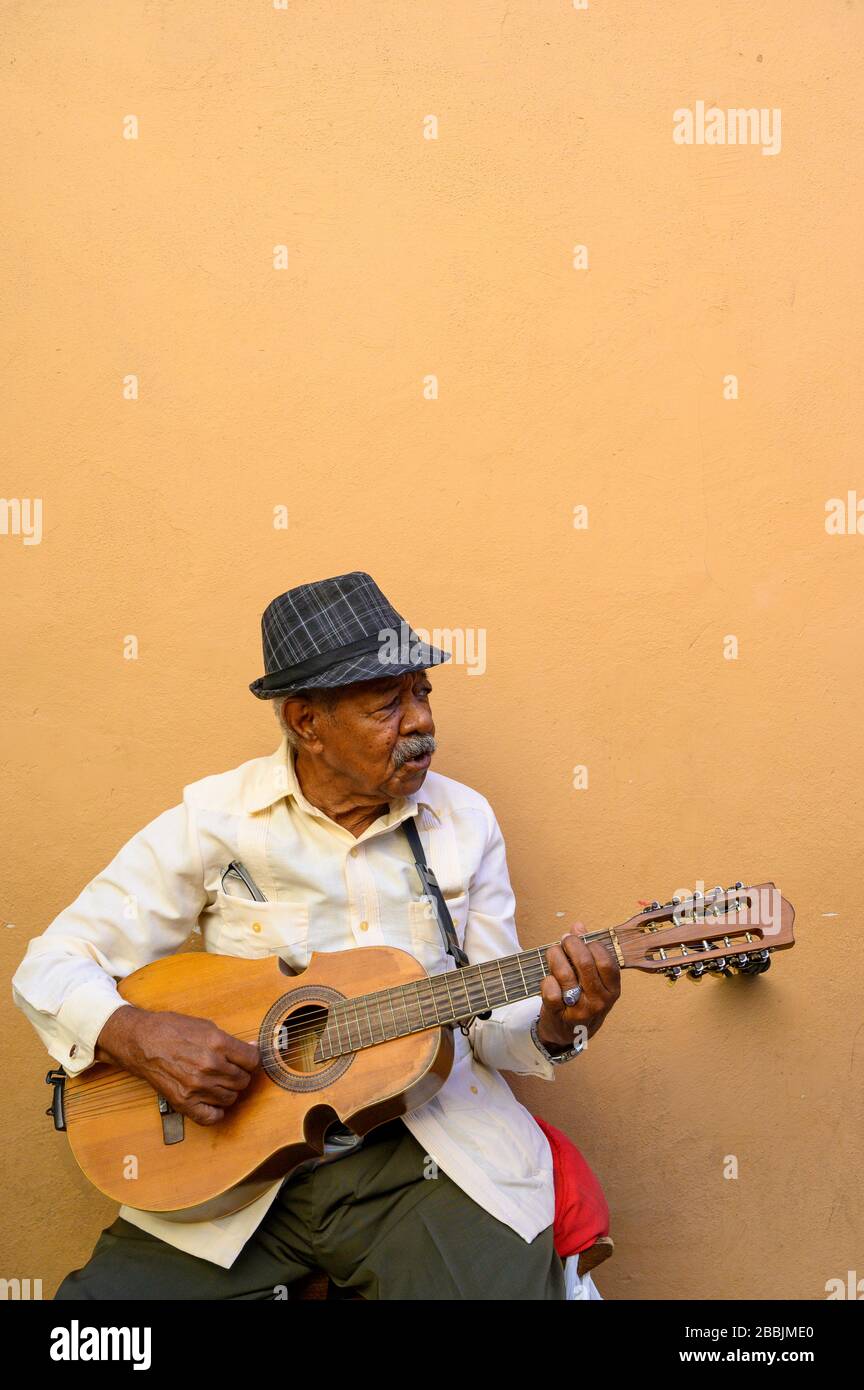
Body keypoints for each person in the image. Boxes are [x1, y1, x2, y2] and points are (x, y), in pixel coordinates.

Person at [13, 571, 621, 1300]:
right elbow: (48, 965)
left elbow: (493, 1030)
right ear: (306, 723)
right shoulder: (215, 821)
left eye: (423, 692)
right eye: (387, 704)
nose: (421, 720)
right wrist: (138, 1034)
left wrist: (558, 1023)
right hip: (233, 1171)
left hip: (419, 1158)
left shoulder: (465, 824)